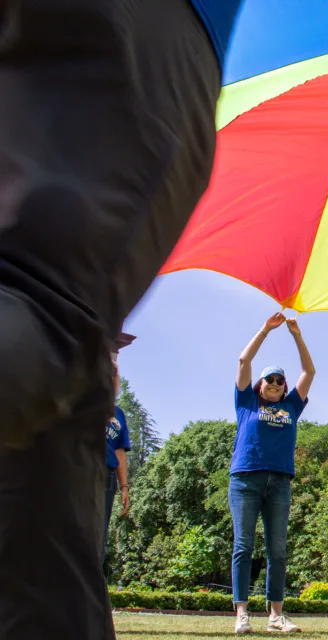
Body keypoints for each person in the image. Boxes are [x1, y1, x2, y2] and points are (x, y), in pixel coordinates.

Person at [0, 2, 242, 638]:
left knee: (46, 454)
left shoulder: (116, 413)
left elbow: (119, 455)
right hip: (149, 42)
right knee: (41, 311)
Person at [230, 313, 316, 634]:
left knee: (277, 549)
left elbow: (309, 371)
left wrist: (296, 335)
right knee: (243, 546)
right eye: (271, 380)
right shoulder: (246, 402)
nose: (277, 384)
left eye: (280, 380)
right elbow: (243, 359)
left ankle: (276, 615)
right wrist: (266, 330)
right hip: (245, 480)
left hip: (280, 483)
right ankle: (241, 614)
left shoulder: (292, 406)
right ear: (261, 385)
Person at [102, 336, 136, 569]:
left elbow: (120, 452)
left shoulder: (119, 414)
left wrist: (124, 487)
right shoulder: (79, 404)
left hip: (106, 475)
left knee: (99, 533)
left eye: (115, 374)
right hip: (79, 470)